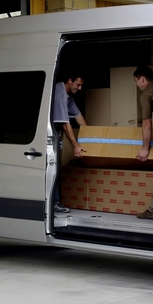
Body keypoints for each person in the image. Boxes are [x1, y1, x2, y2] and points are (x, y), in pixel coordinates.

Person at [52, 73, 88, 213]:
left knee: (54, 168)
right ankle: (54, 202)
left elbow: (78, 117)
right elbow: (65, 124)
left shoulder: (69, 96)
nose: (80, 88)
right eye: (78, 84)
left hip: (54, 137)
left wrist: (92, 137)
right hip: (46, 137)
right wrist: (76, 146)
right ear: (69, 81)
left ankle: (54, 202)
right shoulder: (60, 94)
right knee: (52, 169)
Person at [134, 66, 153, 220]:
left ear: (142, 79)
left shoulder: (146, 93)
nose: (137, 85)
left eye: (136, 81)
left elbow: (146, 123)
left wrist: (145, 148)